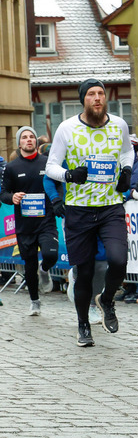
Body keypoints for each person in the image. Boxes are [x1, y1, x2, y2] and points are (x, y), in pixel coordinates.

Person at [45, 79, 133, 347]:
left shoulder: (119, 125)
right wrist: (69, 175)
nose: (97, 98)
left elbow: (128, 153)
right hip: (79, 210)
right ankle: (83, 325)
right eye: (91, 94)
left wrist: (127, 172)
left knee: (118, 260)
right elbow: (51, 167)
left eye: (101, 94)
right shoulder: (67, 128)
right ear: (83, 99)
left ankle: (106, 300)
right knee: (83, 272)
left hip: (110, 207)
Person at [0, 127, 58, 314]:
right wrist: (13, 197)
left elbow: (58, 184)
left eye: (31, 136)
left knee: (50, 254)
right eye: (24, 137)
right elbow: (3, 193)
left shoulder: (47, 163)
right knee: (29, 265)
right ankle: (35, 301)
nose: (29, 140)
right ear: (19, 143)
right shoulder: (12, 167)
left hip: (46, 220)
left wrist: (58, 201)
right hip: (25, 224)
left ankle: (46, 269)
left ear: (35, 141)